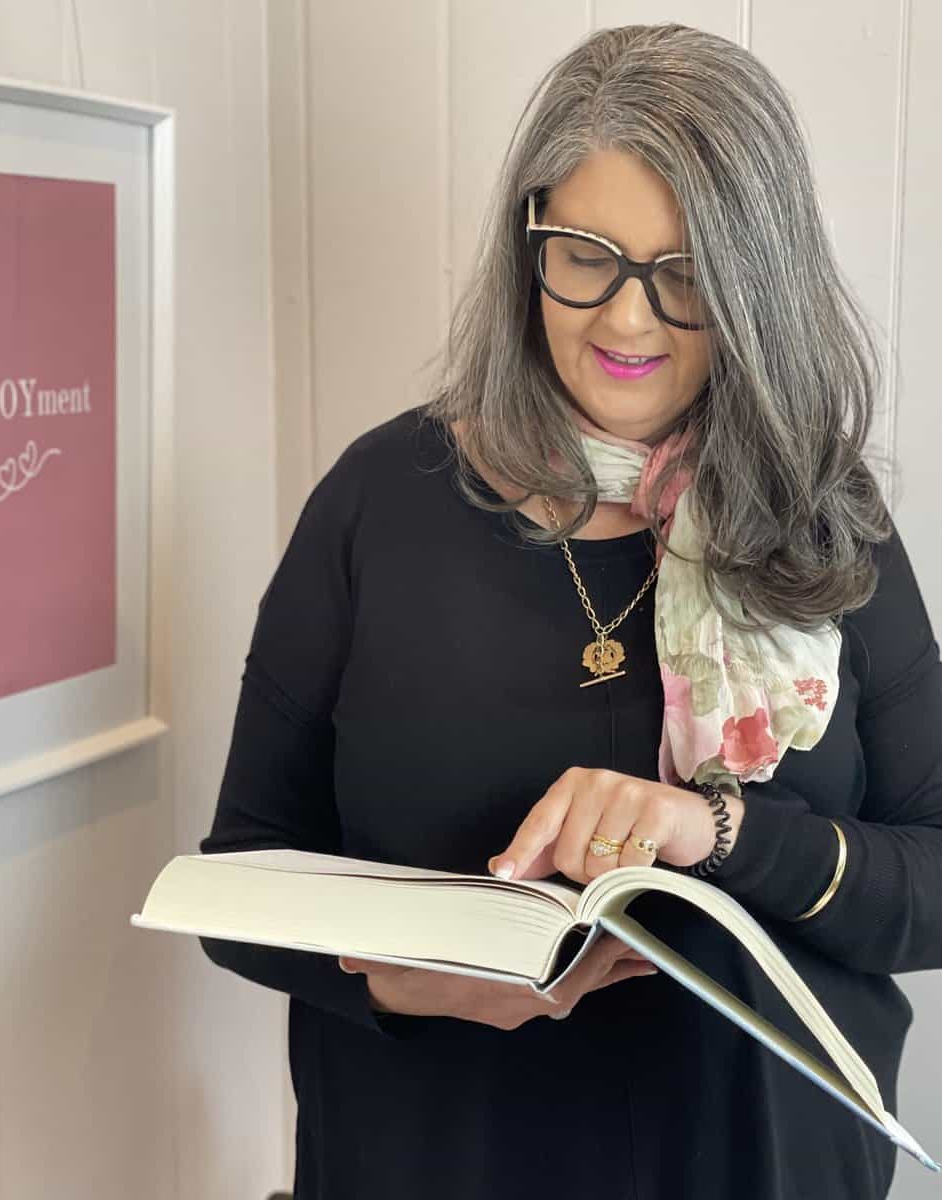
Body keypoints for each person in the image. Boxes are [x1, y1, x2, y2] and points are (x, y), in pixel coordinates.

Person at [199, 22, 942, 1200]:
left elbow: (932, 883)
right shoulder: (377, 503)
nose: (626, 321)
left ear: (758, 282)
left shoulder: (821, 515)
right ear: (527, 241)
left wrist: (719, 830)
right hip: (433, 1157)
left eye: (686, 273)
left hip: (763, 1166)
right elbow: (234, 882)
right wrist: (408, 979)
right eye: (585, 255)